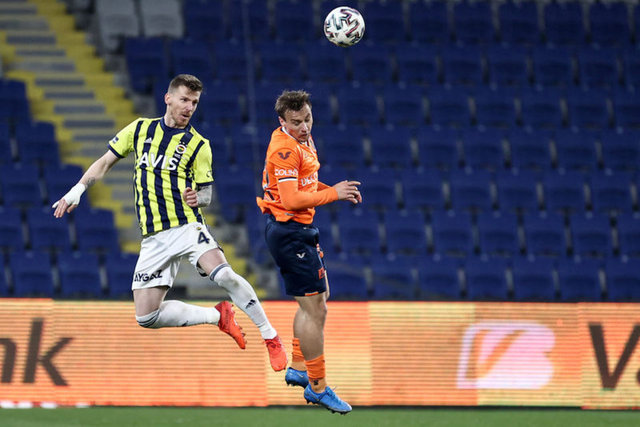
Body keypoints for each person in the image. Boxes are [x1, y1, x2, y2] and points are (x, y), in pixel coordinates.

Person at [52, 74, 287, 372]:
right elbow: (104, 162)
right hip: (153, 237)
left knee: (224, 275)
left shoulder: (199, 145)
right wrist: (78, 190)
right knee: (146, 317)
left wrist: (198, 198)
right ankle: (219, 316)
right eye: (184, 100)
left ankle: (270, 336)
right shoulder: (140, 129)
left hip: (187, 226)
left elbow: (206, 193)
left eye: (194, 102)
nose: (189, 107)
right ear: (168, 98)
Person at [257, 90, 362, 414]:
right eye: (296, 122)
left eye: (307, 119)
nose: (304, 127)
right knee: (315, 310)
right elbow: (291, 199)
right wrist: (334, 194)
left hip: (299, 231)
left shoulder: (302, 140)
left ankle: (299, 367)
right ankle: (317, 386)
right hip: (288, 232)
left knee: (319, 299)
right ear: (282, 121)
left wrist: (335, 190)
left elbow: (306, 184)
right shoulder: (285, 150)